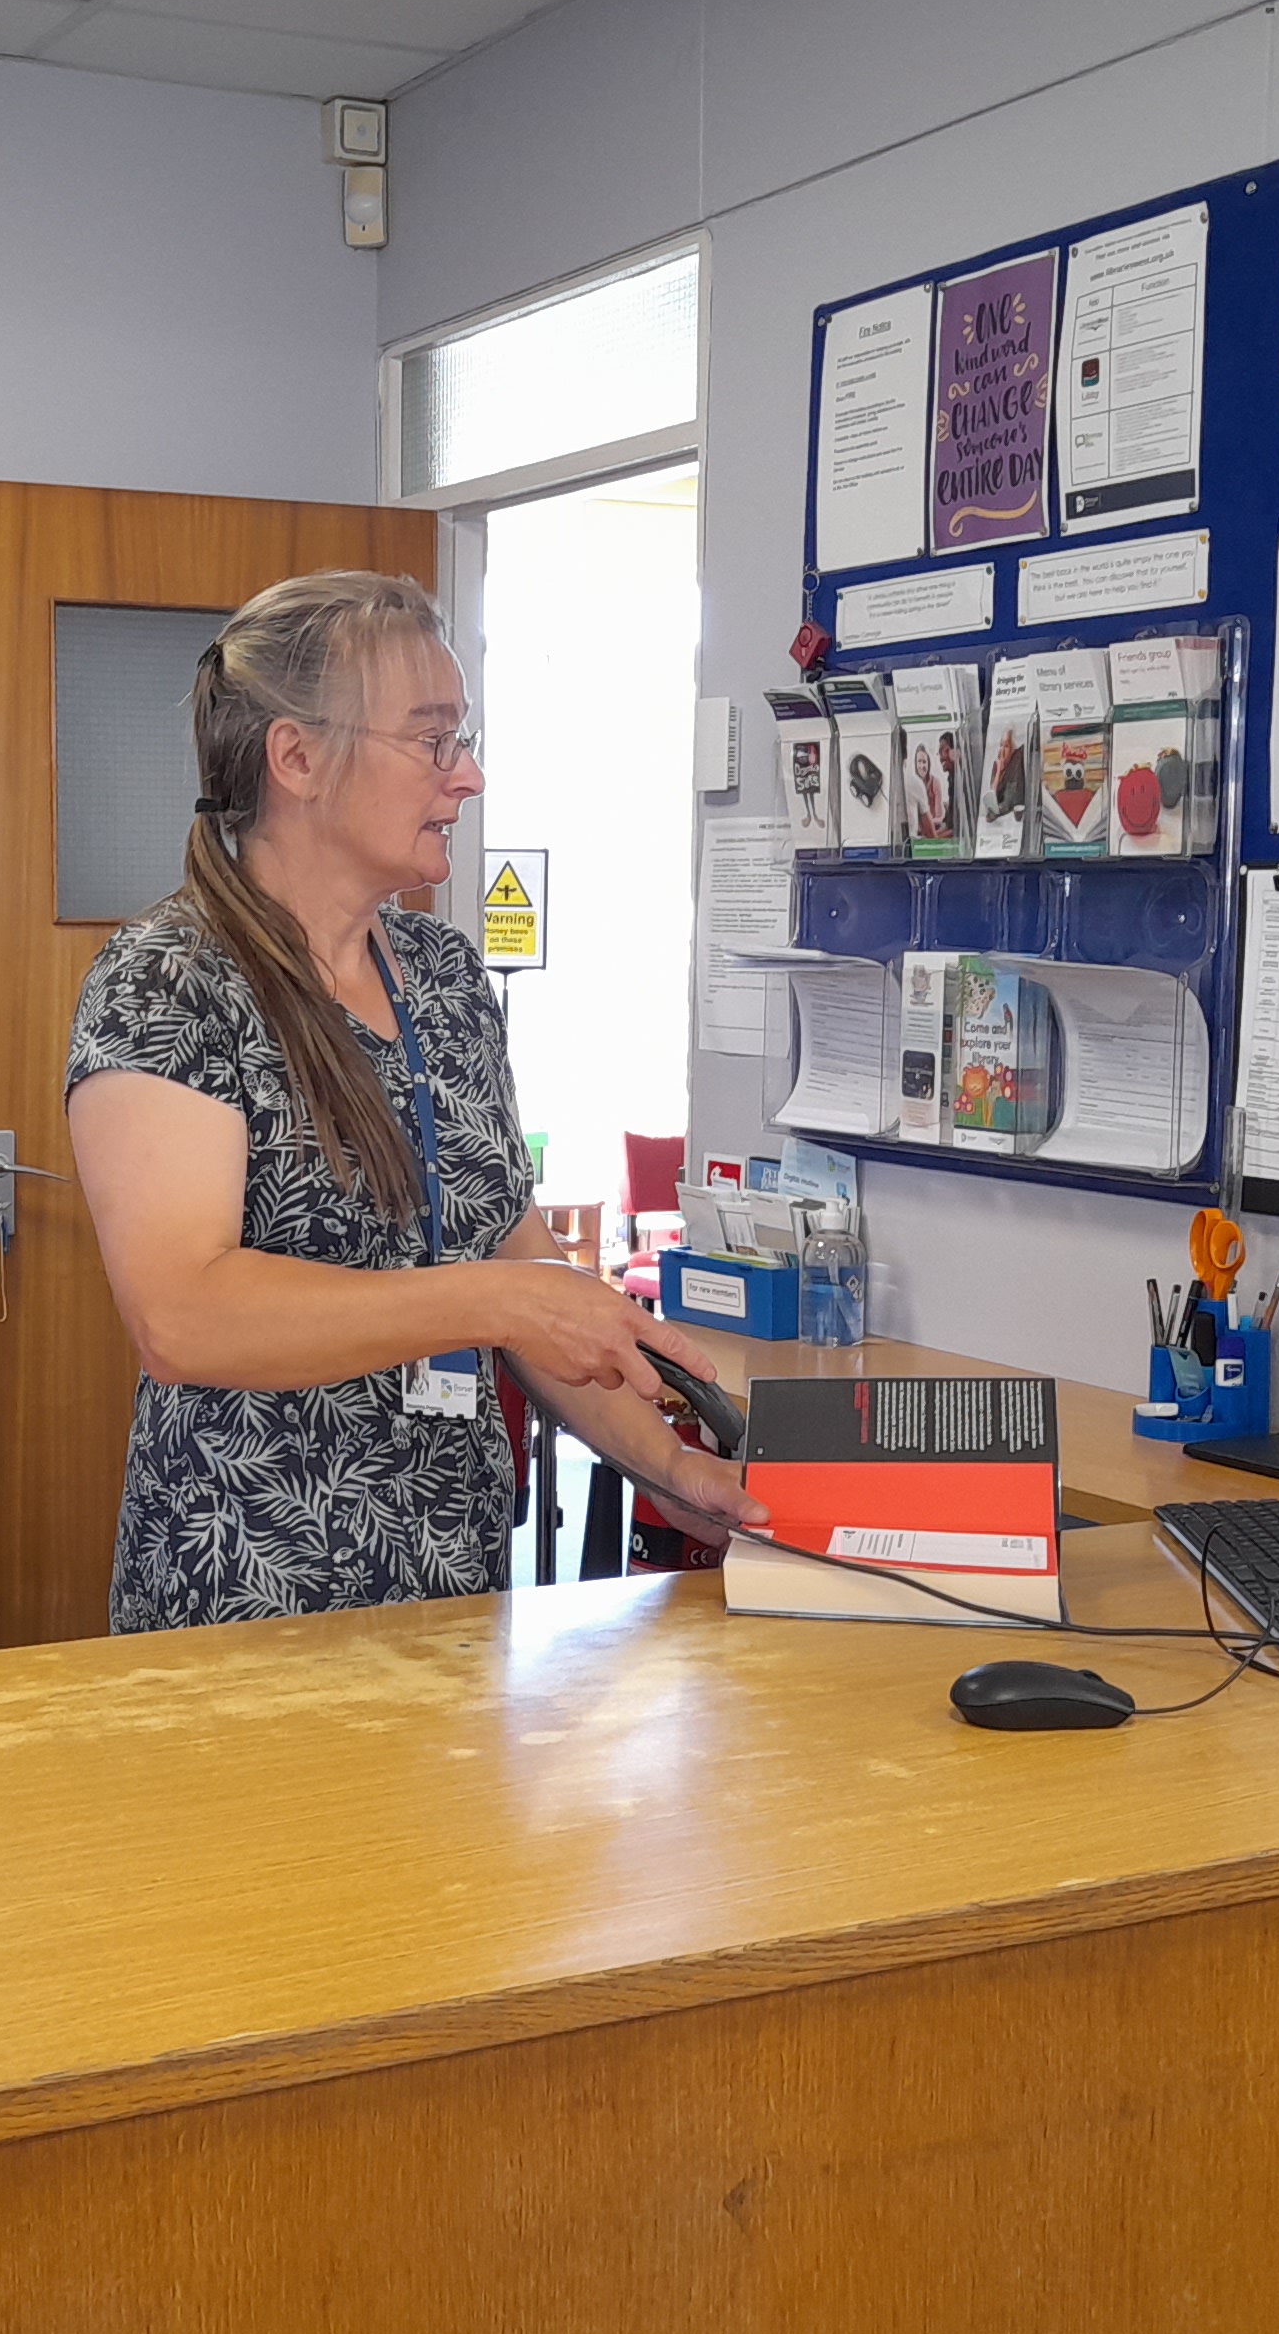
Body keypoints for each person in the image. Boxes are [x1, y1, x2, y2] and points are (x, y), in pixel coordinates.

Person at [66, 570, 761, 1634]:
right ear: (295, 758)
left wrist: (664, 1462)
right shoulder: (168, 981)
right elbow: (182, 1314)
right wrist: (486, 1301)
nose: (468, 775)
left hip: (454, 1597)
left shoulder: (442, 975)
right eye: (432, 741)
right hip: (245, 1612)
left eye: (463, 738)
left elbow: (512, 1256)